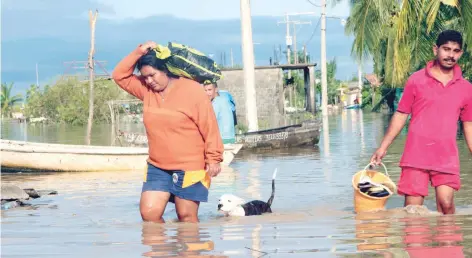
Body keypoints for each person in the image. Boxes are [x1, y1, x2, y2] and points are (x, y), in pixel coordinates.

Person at [112, 41, 224, 223]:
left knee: (186, 217)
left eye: (152, 75)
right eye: (145, 77)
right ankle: (162, 251)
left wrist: (214, 158)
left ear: (165, 70)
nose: (149, 81)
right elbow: (119, 76)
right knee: (149, 215)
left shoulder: (192, 91)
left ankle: (192, 252)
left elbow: (209, 126)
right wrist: (138, 52)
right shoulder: (147, 90)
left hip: (190, 166)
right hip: (158, 166)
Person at [370, 30, 472, 215]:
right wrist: (382, 147)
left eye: (456, 51)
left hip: (446, 156)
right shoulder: (416, 80)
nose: (450, 55)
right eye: (446, 49)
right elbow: (401, 115)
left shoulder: (466, 88)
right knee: (413, 211)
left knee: (446, 205)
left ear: (461, 54)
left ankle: (448, 244)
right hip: (416, 155)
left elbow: (468, 125)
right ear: (436, 49)